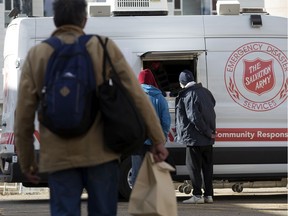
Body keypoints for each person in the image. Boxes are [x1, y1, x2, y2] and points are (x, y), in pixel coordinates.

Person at [14, 1, 169, 215]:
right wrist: (157, 138)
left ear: (55, 20)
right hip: (101, 153)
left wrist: (27, 160)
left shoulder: (37, 54)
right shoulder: (102, 47)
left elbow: (23, 114)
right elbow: (136, 94)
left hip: (58, 155)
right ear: (84, 20)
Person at [175, 69, 216, 204]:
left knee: (194, 168)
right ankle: (209, 195)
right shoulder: (206, 92)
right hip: (208, 139)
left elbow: (194, 117)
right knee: (207, 167)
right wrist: (210, 132)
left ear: (182, 83)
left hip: (195, 139)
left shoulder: (189, 94)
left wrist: (205, 131)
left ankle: (197, 195)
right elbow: (212, 105)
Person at [131, 69, 171, 186]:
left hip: (137, 142)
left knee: (137, 174)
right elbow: (166, 121)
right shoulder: (160, 98)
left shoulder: (134, 96)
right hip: (154, 143)